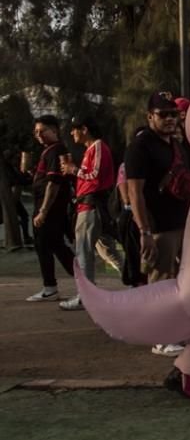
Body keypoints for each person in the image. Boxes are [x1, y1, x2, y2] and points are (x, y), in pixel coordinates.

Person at [125, 92, 190, 356]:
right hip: (158, 226)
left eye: (173, 114)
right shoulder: (140, 147)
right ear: (149, 116)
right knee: (160, 282)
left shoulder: (175, 146)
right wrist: (144, 231)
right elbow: (135, 192)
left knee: (177, 281)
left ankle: (173, 332)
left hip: (179, 222)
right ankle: (160, 338)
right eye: (162, 114)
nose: (169, 119)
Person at [57, 116, 124, 311]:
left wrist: (73, 170)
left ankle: (86, 296)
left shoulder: (98, 147)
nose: (72, 133)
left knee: (83, 252)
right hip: (89, 206)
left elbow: (94, 176)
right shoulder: (92, 149)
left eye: (74, 129)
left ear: (84, 129)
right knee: (107, 250)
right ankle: (135, 282)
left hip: (91, 207)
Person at [24, 116, 75, 302]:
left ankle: (56, 286)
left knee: (49, 245)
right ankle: (52, 286)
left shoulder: (56, 149)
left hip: (51, 208)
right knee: (52, 245)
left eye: (42, 130)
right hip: (48, 207)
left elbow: (54, 183)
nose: (38, 135)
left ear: (54, 130)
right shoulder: (49, 151)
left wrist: (44, 210)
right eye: (36, 131)